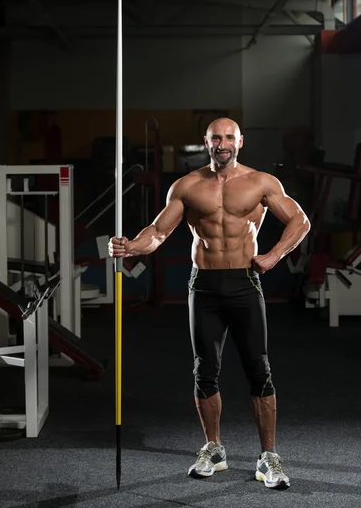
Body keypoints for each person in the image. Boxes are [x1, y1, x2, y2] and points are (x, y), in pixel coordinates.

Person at [109, 118, 310, 490]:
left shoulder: (261, 182)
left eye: (229, 137)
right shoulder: (186, 186)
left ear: (240, 141)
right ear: (206, 141)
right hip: (203, 285)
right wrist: (133, 246)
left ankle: (268, 457)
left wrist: (274, 256)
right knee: (205, 369)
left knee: (259, 369)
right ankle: (213, 450)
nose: (222, 143)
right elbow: (158, 231)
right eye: (216, 137)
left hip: (244, 282)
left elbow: (300, 220)